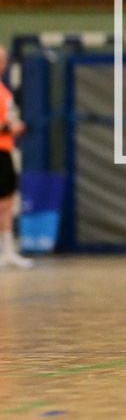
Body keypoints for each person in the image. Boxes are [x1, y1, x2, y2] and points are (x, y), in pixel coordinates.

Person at [0, 45, 33, 269]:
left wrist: (15, 126)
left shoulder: (4, 91)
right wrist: (7, 127)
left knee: (7, 202)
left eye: (3, 59)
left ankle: (8, 252)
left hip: (6, 150)